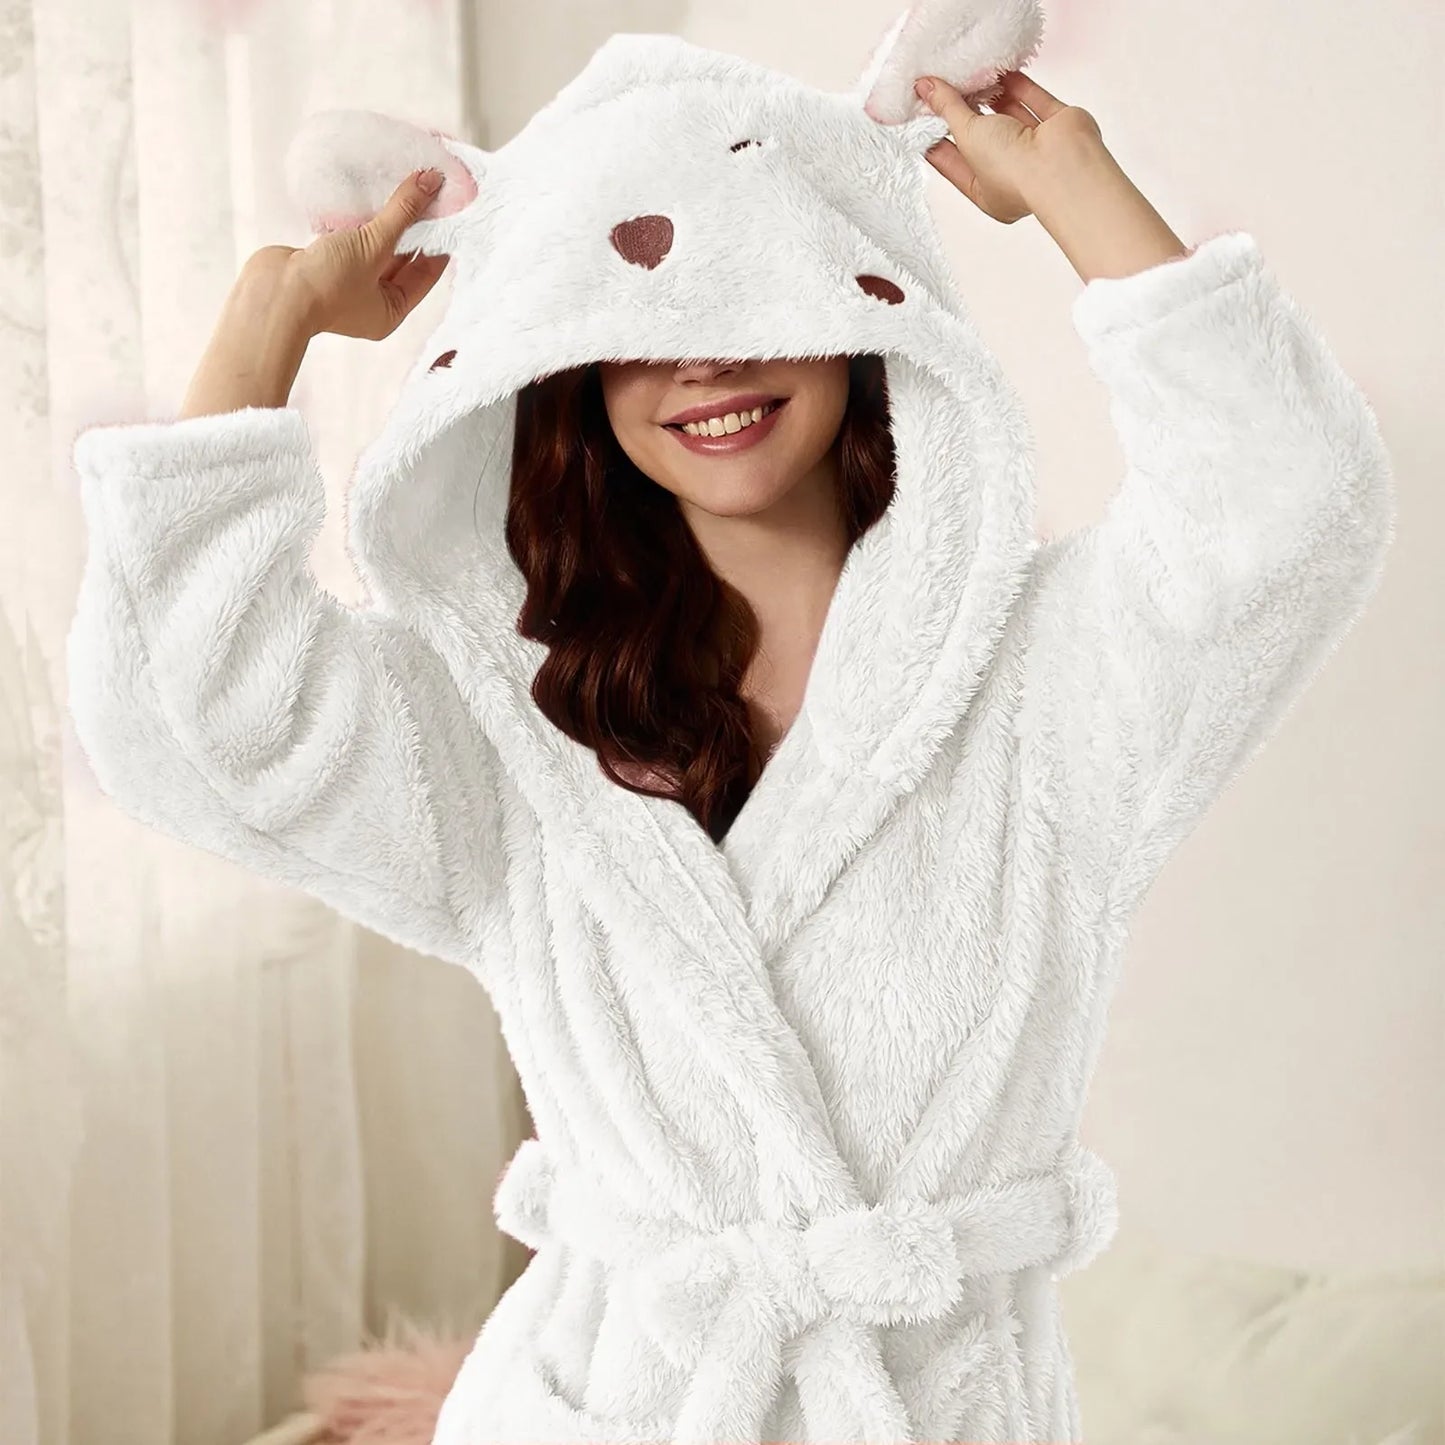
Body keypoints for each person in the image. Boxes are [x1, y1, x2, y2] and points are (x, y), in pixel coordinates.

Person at [66, 21, 1395, 1445]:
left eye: (750, 291)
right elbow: (193, 720)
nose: (702, 363)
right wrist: (262, 327)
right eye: (637, 328)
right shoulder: (512, 724)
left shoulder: (1047, 684)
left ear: (863, 310)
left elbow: (1286, 511)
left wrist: (1078, 185)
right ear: (569, 369)